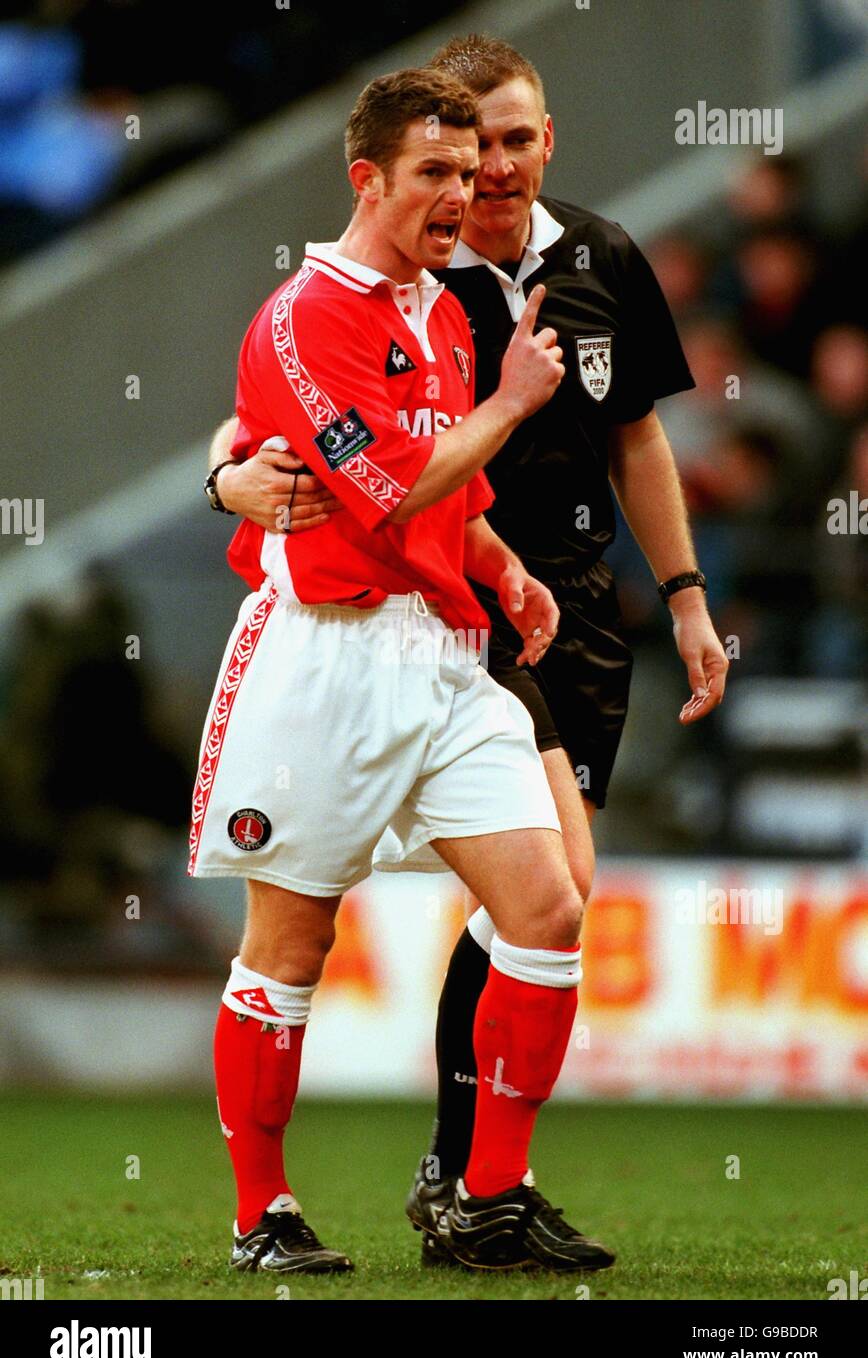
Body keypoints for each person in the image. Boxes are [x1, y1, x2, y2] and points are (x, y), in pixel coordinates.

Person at [205, 34, 729, 1269]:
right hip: (323, 654)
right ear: (365, 178)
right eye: (436, 167)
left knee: (548, 903)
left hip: (456, 642)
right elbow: (382, 482)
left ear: (546, 144)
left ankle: (485, 1194)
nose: (462, 187)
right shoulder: (304, 316)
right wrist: (228, 480)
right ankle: (260, 1212)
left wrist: (498, 565)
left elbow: (469, 481)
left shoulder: (456, 306)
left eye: (482, 158)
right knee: (291, 945)